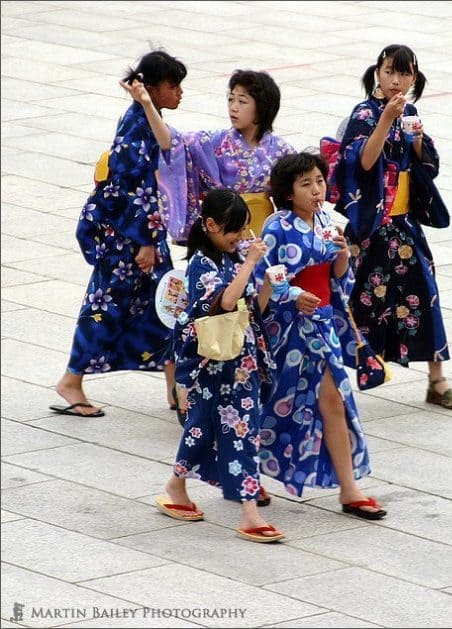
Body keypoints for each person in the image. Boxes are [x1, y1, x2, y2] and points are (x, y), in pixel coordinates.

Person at [51, 50, 187, 418]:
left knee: (167, 305)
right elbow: (130, 186)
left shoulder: (147, 116)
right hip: (129, 237)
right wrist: (143, 240)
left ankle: (177, 387)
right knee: (106, 308)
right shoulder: (134, 124)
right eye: (173, 86)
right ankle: (71, 380)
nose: (179, 93)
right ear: (154, 88)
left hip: (144, 232)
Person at [333, 44, 452, 410]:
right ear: (378, 71)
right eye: (390, 71)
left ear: (414, 77)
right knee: (354, 300)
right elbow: (362, 161)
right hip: (370, 227)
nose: (396, 80)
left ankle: (436, 379)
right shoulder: (363, 113)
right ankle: (335, 379)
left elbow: (428, 164)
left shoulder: (411, 112)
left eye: (404, 73)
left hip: (404, 224)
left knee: (425, 293)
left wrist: (418, 138)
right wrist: (385, 121)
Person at [256, 152, 386, 520]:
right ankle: (248, 470)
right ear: (287, 192)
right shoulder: (276, 227)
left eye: (318, 181)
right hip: (288, 328)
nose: (316, 190)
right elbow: (267, 279)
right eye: (305, 184)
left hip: (323, 323)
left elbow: (338, 278)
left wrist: (343, 255)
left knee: (334, 399)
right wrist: (295, 295)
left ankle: (350, 488)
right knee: (273, 398)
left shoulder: (330, 220)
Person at [156, 189, 282, 543]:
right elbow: (226, 301)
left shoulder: (229, 257)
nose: (240, 238)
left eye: (244, 230)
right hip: (213, 365)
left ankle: (176, 487)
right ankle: (249, 513)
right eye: (234, 231)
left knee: (212, 429)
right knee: (230, 430)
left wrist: (269, 285)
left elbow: (251, 305)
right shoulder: (202, 263)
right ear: (210, 225)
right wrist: (251, 263)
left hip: (236, 361)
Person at [158, 69, 296, 243]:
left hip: (263, 235)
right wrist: (148, 107)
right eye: (231, 99)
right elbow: (174, 143)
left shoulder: (281, 150)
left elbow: (299, 192)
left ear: (262, 107)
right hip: (222, 234)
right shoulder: (214, 142)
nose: (233, 107)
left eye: (242, 101)